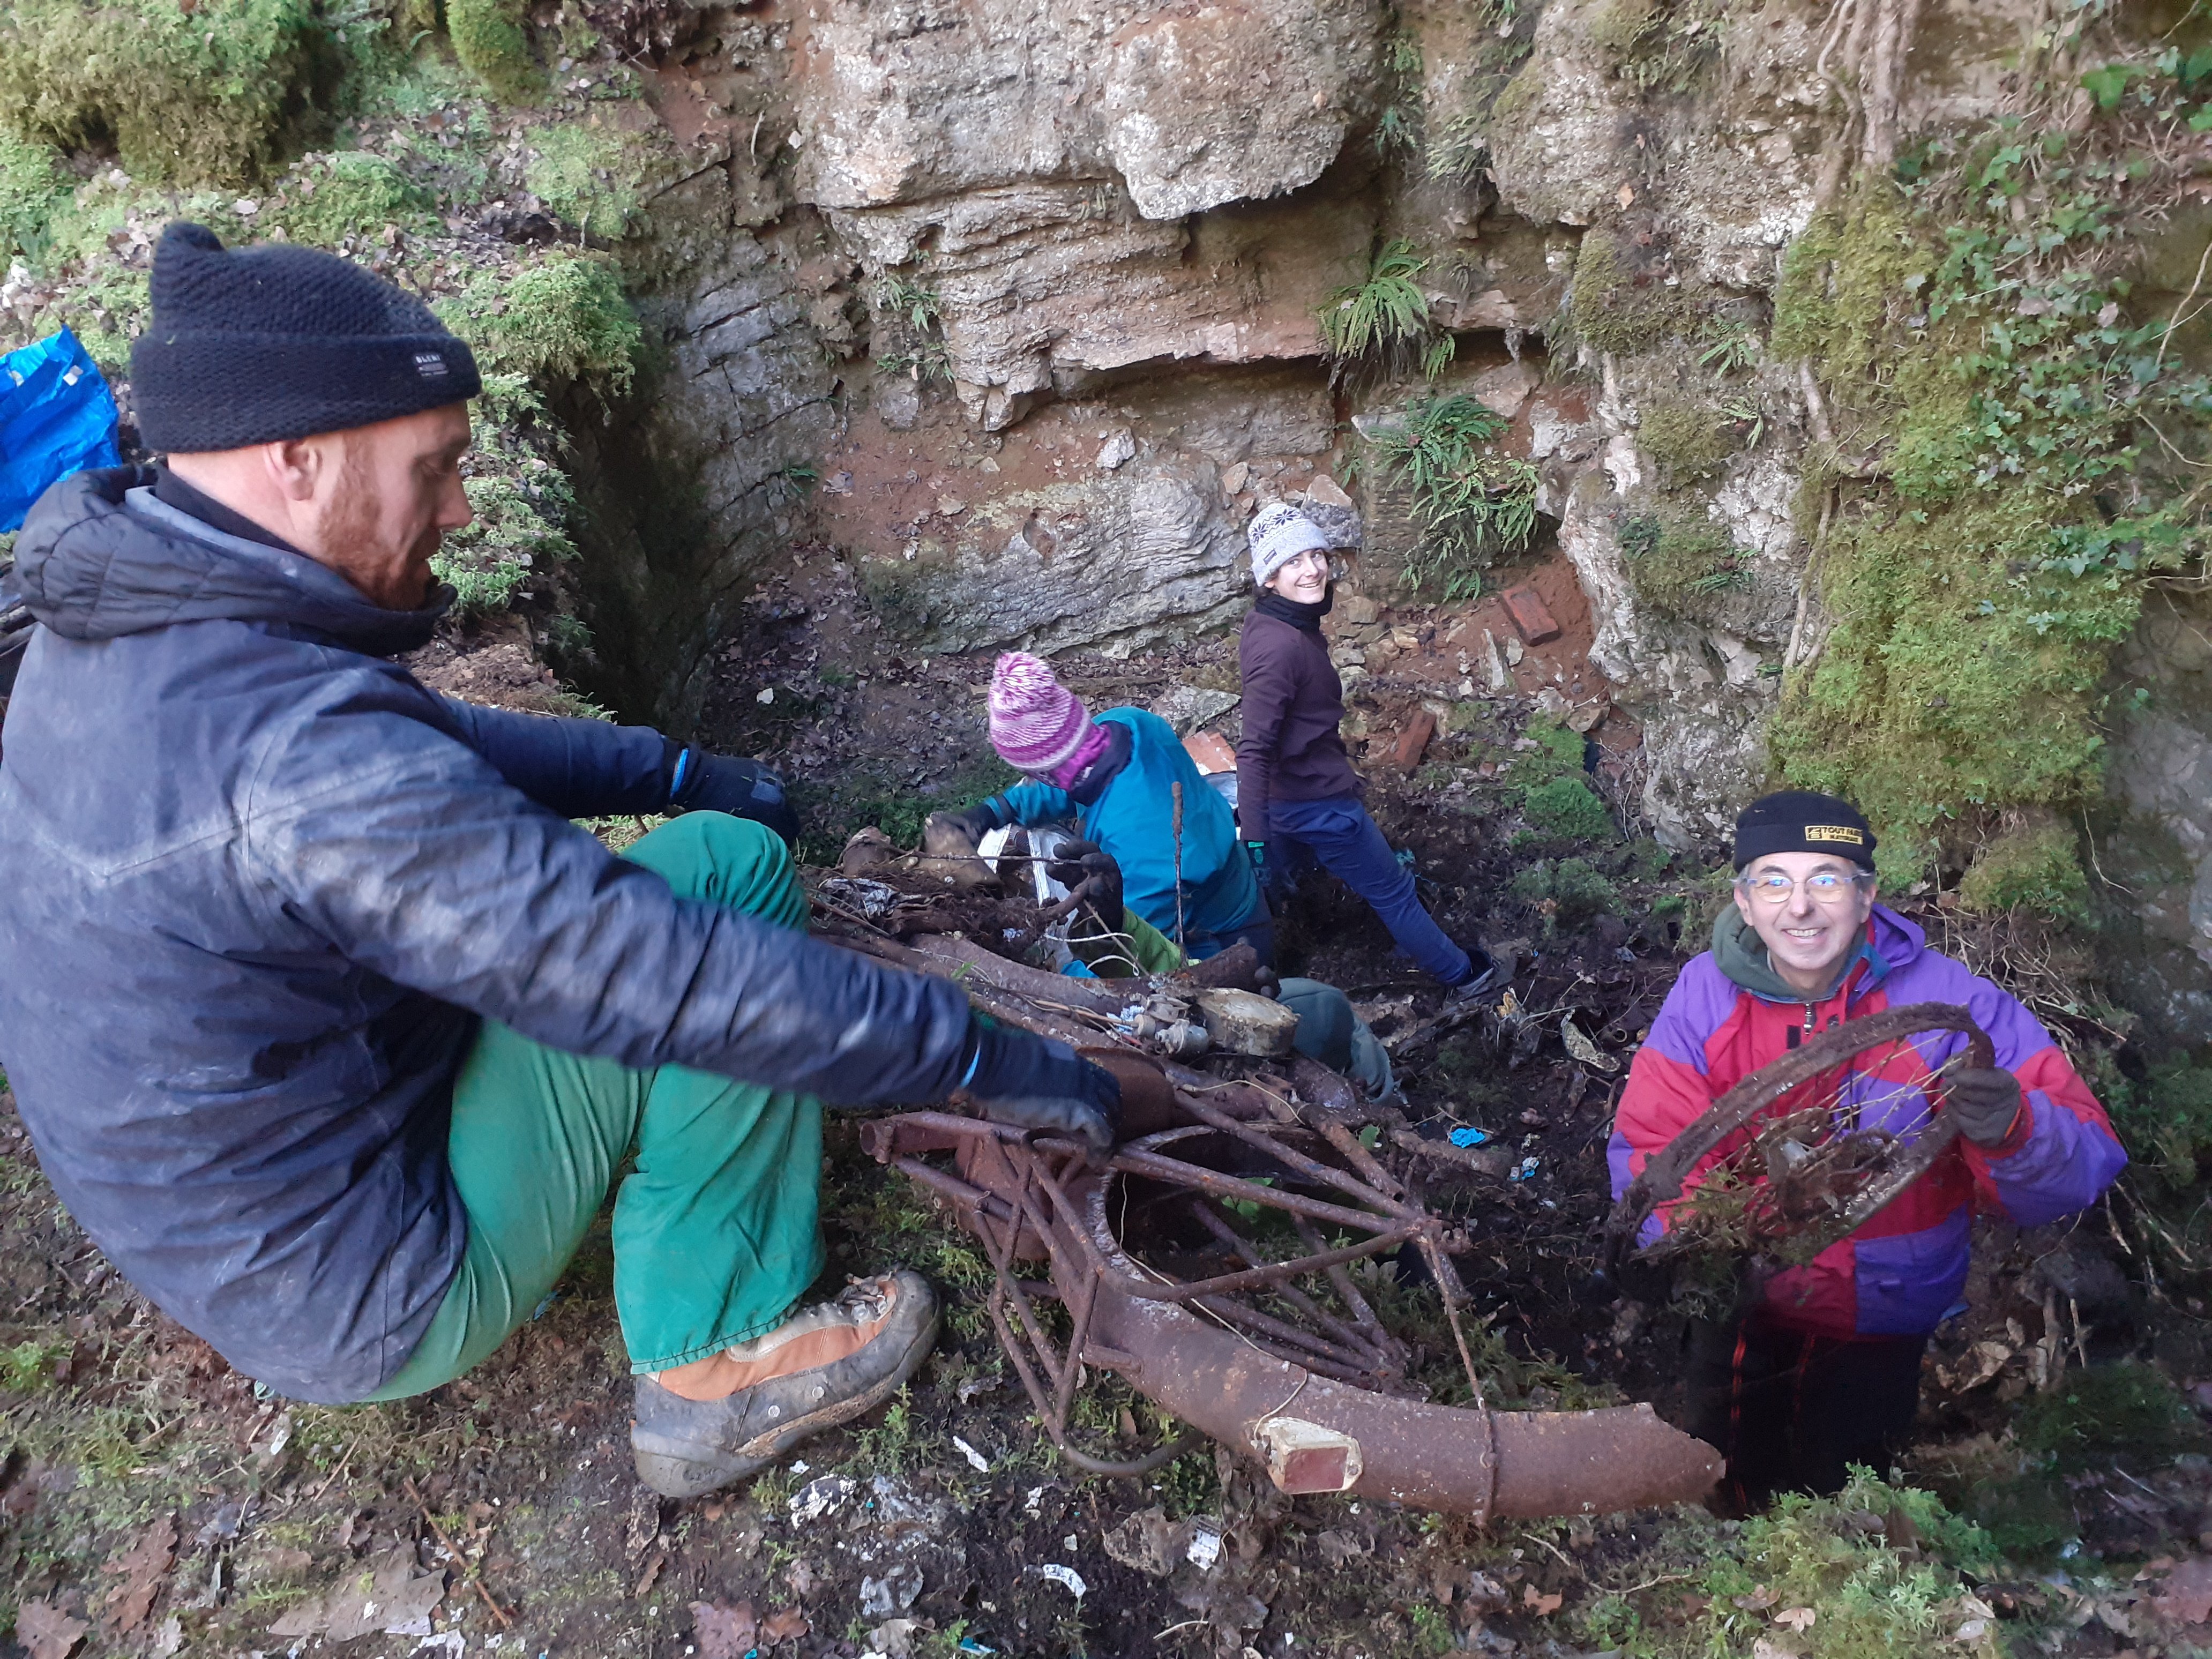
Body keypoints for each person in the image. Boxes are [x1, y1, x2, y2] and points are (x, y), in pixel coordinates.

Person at [0, 222, 1120, 1501]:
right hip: (362, 1287)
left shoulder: (125, 608)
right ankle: (717, 1362)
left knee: (703, 836)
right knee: (723, 892)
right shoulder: (297, 762)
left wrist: (670, 769)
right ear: (297, 459)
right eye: (437, 466)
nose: (465, 507)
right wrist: (985, 1054)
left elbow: (426, 737)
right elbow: (650, 975)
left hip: (218, 1216)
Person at [1610, 790, 2126, 1508]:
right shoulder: (1706, 997)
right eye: (1775, 881)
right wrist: (1693, 1237)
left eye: (1827, 879)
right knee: (1724, 1473)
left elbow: (2087, 1160)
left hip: (1883, 1316)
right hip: (1748, 1304)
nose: (1800, 908)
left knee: (1848, 1488)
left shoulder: (1951, 1006)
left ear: (1866, 895)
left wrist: (2018, 1127)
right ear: (1744, 900)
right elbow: (1652, 1144)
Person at [1236, 503, 1500, 999]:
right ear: (1268, 577)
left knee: (1286, 876)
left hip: (1286, 799)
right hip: (1319, 806)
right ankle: (1466, 977)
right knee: (1394, 892)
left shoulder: (1273, 625)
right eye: (1292, 562)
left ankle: (1288, 937)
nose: (1312, 569)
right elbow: (1253, 749)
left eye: (1316, 554)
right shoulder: (1282, 648)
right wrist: (1254, 841)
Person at [931, 652, 1270, 962]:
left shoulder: (1142, 851)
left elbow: (1134, 955)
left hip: (1223, 940)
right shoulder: (1128, 724)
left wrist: (1049, 970)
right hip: (1230, 876)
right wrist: (994, 811)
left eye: (1029, 774)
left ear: (1043, 773)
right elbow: (1071, 779)